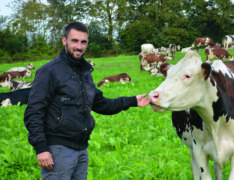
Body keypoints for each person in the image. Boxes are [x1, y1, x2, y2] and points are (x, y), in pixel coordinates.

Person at [24, 22, 150, 179]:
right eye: (74, 41)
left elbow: (102, 104)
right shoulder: (49, 71)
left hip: (81, 149)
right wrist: (41, 148)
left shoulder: (84, 73)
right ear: (64, 41)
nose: (79, 46)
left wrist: (132, 101)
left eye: (83, 42)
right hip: (58, 150)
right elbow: (33, 112)